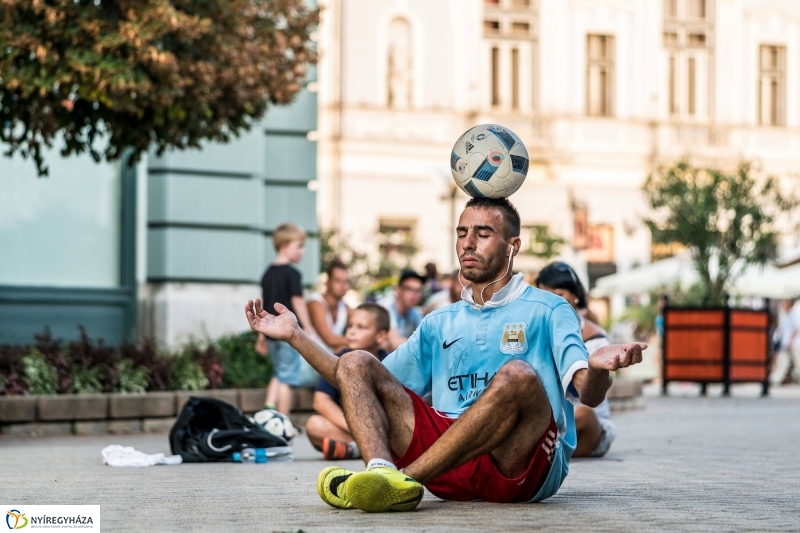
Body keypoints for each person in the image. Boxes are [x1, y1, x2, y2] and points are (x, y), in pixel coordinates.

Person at [245, 196, 646, 512]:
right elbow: (356, 383)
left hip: (518, 465)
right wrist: (296, 335)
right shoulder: (440, 321)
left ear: (513, 245)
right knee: (355, 362)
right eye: (461, 232)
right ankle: (382, 475)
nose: (467, 243)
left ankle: (402, 482)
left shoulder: (551, 308)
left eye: (483, 233)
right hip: (448, 464)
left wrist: (597, 368)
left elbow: (589, 395)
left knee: (519, 375)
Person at [535, 261, 618, 458]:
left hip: (588, 424)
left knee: (577, 413)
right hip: (549, 419)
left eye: (558, 294)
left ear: (576, 296)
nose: (551, 301)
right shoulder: (534, 330)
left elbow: (590, 400)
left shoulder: (595, 338)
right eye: (544, 295)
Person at [305, 303, 390, 460]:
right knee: (314, 425)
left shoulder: (391, 362)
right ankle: (368, 449)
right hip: (350, 428)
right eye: (350, 325)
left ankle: (358, 449)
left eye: (361, 327)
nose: (351, 331)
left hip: (384, 429)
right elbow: (321, 401)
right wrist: (360, 429)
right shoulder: (336, 359)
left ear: (381, 336)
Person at [257, 223, 317, 416]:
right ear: (284, 247)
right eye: (299, 246)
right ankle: (283, 421)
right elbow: (298, 303)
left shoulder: (267, 273)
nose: (303, 251)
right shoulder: (292, 274)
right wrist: (308, 328)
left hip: (270, 332)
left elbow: (264, 305)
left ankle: (268, 412)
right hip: (287, 332)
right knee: (288, 378)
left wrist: (261, 335)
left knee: (279, 372)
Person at [307, 260, 351, 353]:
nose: (343, 285)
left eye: (346, 281)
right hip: (307, 361)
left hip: (329, 359)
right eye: (338, 280)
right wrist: (359, 341)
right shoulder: (315, 302)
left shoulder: (345, 307)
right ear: (328, 282)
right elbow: (329, 340)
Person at [378, 269, 424, 351]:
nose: (414, 294)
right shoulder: (386, 307)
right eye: (409, 289)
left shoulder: (413, 311)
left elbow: (425, 336)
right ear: (397, 289)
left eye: (417, 290)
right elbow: (394, 343)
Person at [769, 299, 800, 385]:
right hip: (786, 343)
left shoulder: (794, 314)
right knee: (783, 361)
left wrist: (791, 340)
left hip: (794, 344)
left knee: (798, 362)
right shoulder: (786, 315)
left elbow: (797, 329)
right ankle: (775, 379)